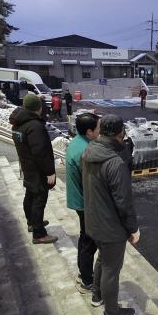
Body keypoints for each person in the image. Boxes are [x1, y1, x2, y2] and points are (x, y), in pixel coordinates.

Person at [82, 114, 140, 315]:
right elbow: (124, 201)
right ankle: (111, 313)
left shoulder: (90, 150)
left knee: (102, 260)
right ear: (120, 134)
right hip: (110, 227)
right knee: (111, 270)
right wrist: (133, 228)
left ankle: (97, 295)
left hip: (93, 219)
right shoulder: (115, 163)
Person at [9, 94, 58, 244]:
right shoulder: (35, 126)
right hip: (37, 170)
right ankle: (39, 234)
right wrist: (50, 171)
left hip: (28, 167)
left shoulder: (18, 123)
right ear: (39, 107)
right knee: (39, 200)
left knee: (30, 196)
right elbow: (41, 152)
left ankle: (32, 222)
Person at [66, 113, 100, 293]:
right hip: (84, 202)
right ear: (89, 131)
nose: (100, 131)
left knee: (84, 237)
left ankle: (83, 273)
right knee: (89, 241)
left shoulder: (77, 142)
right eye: (98, 128)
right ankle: (87, 280)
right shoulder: (85, 152)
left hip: (78, 199)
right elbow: (90, 183)